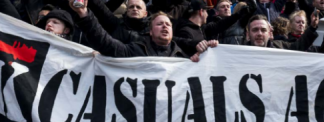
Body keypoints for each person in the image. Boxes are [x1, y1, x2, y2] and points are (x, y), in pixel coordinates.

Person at [69, 0, 215, 61]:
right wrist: (83, 13)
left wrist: (201, 47)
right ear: (150, 32)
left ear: (146, 13)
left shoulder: (180, 55)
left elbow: (182, 42)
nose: (134, 9)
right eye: (131, 7)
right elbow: (104, 41)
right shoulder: (133, 48)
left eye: (138, 7)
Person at [174, 0, 255, 44]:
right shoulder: (185, 32)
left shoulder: (203, 28)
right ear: (201, 12)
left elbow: (221, 24)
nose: (207, 14)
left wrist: (238, 14)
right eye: (207, 11)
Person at [245, 14, 319, 51]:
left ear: (270, 33)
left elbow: (299, 46)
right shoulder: (239, 53)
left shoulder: (280, 47)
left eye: (263, 30)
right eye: (255, 30)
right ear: (248, 35)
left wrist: (312, 28)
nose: (259, 33)